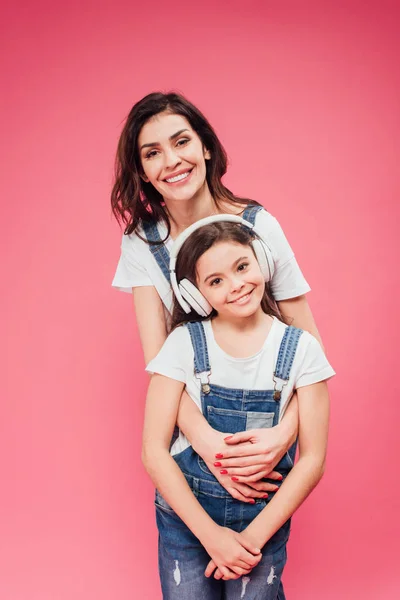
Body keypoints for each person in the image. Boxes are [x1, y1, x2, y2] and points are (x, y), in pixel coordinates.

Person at [111, 91, 323, 501]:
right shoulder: (142, 242)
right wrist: (208, 445)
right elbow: (160, 366)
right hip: (190, 439)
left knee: (258, 556)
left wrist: (285, 433)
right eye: (152, 152)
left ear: (206, 147)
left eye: (181, 141)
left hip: (265, 441)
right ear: (143, 170)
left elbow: (311, 349)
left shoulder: (259, 226)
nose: (171, 161)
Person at [142, 217, 334, 598]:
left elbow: (313, 460)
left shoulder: (303, 350)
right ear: (196, 295)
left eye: (242, 267)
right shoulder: (182, 344)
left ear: (261, 260)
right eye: (215, 281)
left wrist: (251, 540)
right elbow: (153, 451)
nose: (236, 285)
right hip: (186, 522)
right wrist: (211, 536)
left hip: (265, 521)